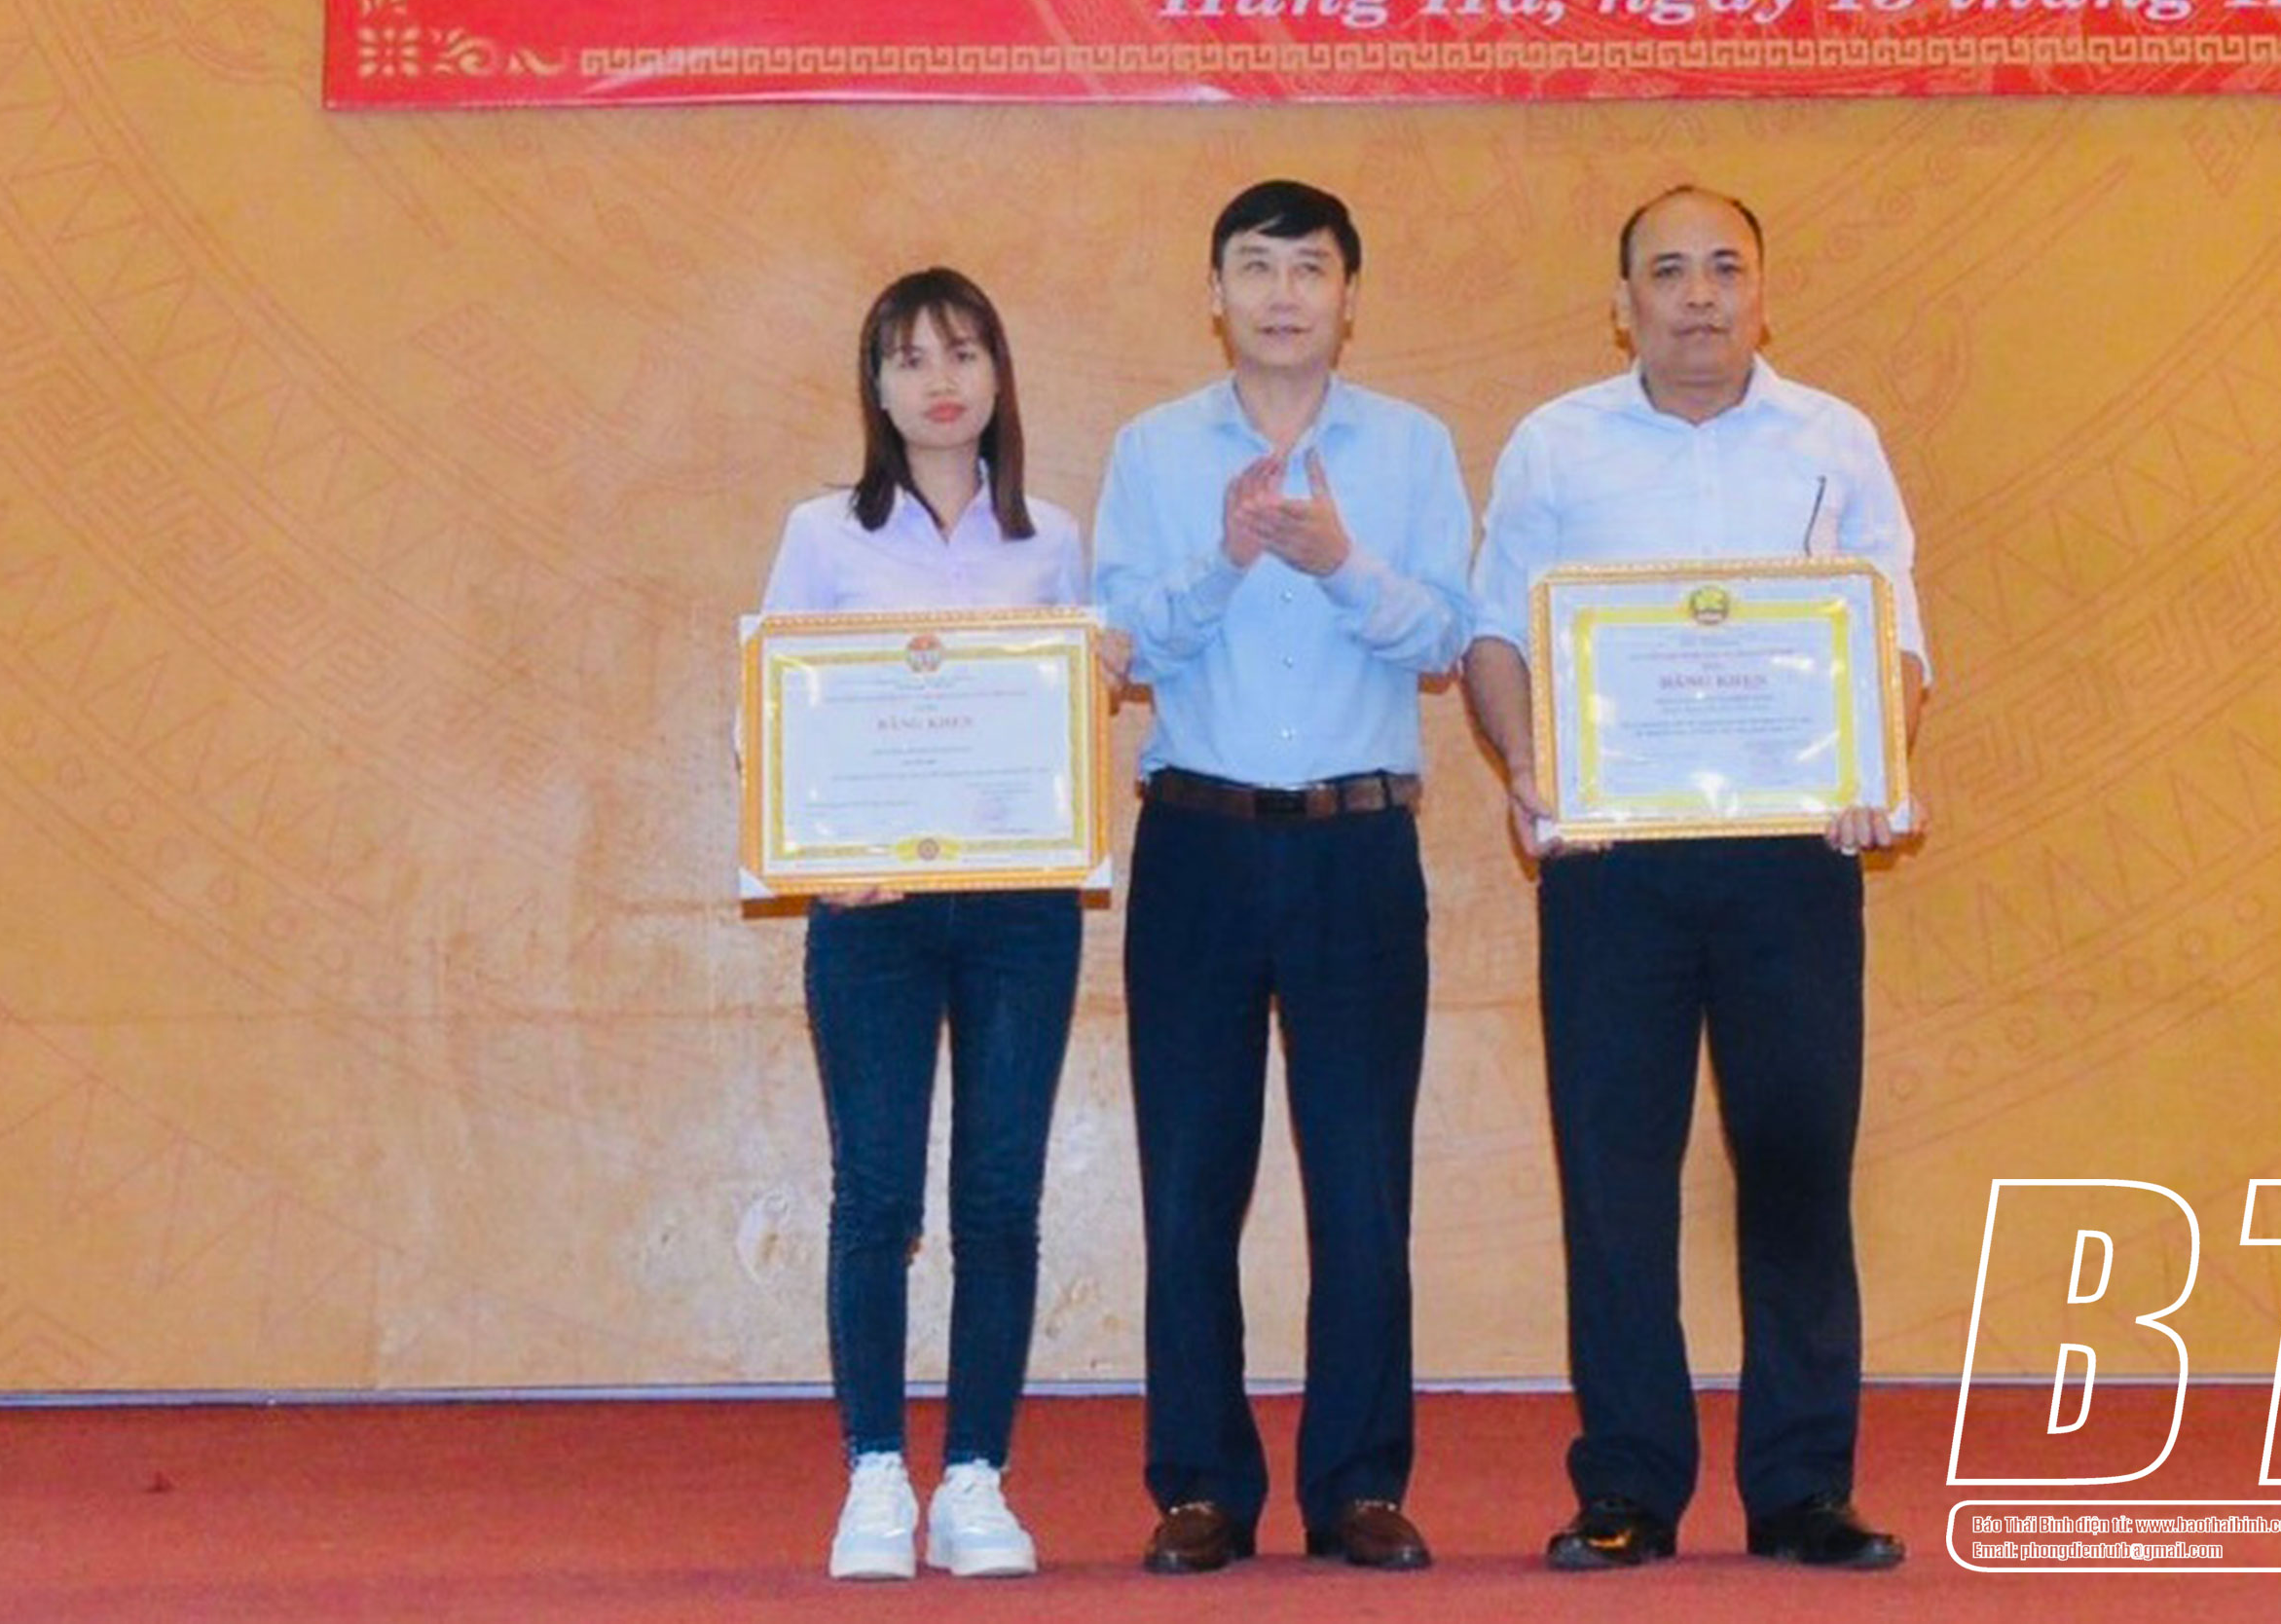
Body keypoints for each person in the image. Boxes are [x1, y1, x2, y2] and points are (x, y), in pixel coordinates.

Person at [1464, 186, 1931, 1571]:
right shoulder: (1556, 445)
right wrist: (1530, 769)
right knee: (1616, 1179)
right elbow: (1496, 637)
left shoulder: (1835, 440)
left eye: (1726, 267)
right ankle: (1627, 1487)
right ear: (1623, 307)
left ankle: (1803, 1489)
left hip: (1795, 860)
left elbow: (1896, 637)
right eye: (1667, 272)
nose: (1699, 295)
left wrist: (1877, 758)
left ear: (1765, 294)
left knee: (1797, 1169)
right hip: (1615, 864)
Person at [1092, 179, 1473, 1574]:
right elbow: (1121, 642)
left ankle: (1359, 1483)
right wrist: (1229, 557)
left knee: (1362, 1179)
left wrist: (1340, 562)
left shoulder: (1412, 446)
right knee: (1192, 1175)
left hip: (1358, 844)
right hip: (1198, 841)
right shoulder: (1151, 449)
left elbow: (1448, 636)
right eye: (1255, 268)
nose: (1283, 295)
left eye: (1310, 269)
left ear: (1349, 296)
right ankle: (1200, 1485)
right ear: (1216, 294)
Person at [757, 267, 1110, 1581]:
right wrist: (817, 852)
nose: (940, 380)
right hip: (873, 915)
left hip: (1022, 911)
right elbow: (768, 711)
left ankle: (974, 1478)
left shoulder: (1051, 541)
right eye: (909, 359)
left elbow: (1066, 721)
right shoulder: (822, 535)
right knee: (876, 1193)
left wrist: (1096, 680)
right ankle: (871, 1473)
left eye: (963, 352)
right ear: (876, 387)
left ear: (999, 374)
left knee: (1001, 1197)